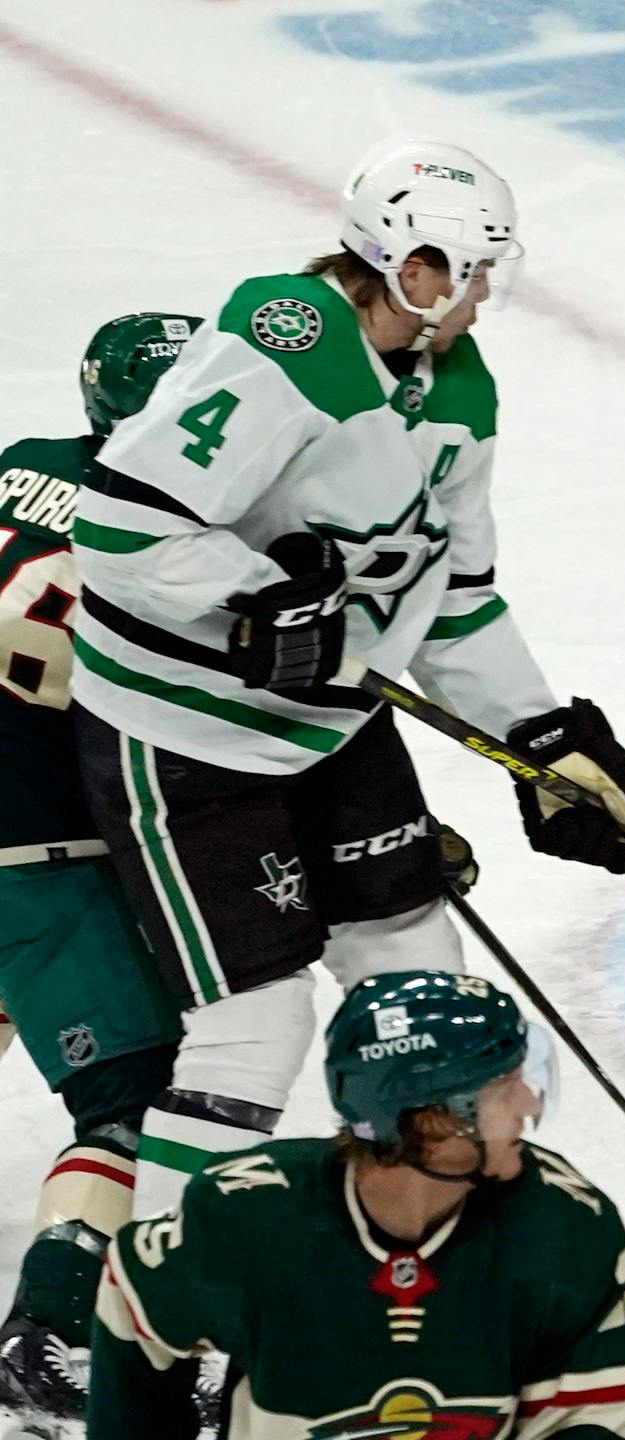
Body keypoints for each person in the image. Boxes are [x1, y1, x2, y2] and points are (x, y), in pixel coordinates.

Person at [68, 135, 625, 1214]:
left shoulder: (457, 389)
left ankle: (428, 1246)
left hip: (333, 723)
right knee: (257, 1026)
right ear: (415, 270)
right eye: (473, 272)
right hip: (186, 739)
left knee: (422, 988)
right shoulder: (283, 346)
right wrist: (255, 602)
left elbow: (453, 595)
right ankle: (160, 1294)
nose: (485, 295)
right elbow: (120, 526)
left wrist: (539, 738)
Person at [89, 970, 625, 1437]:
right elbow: (135, 1303)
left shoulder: (565, 1228)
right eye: (507, 1087)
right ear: (434, 1121)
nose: (530, 1104)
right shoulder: (248, 1217)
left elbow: (594, 1414)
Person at [0, 314, 201, 1428]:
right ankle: (53, 1332)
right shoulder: (167, 537)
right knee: (138, 1100)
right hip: (36, 853)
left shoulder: (22, 465)